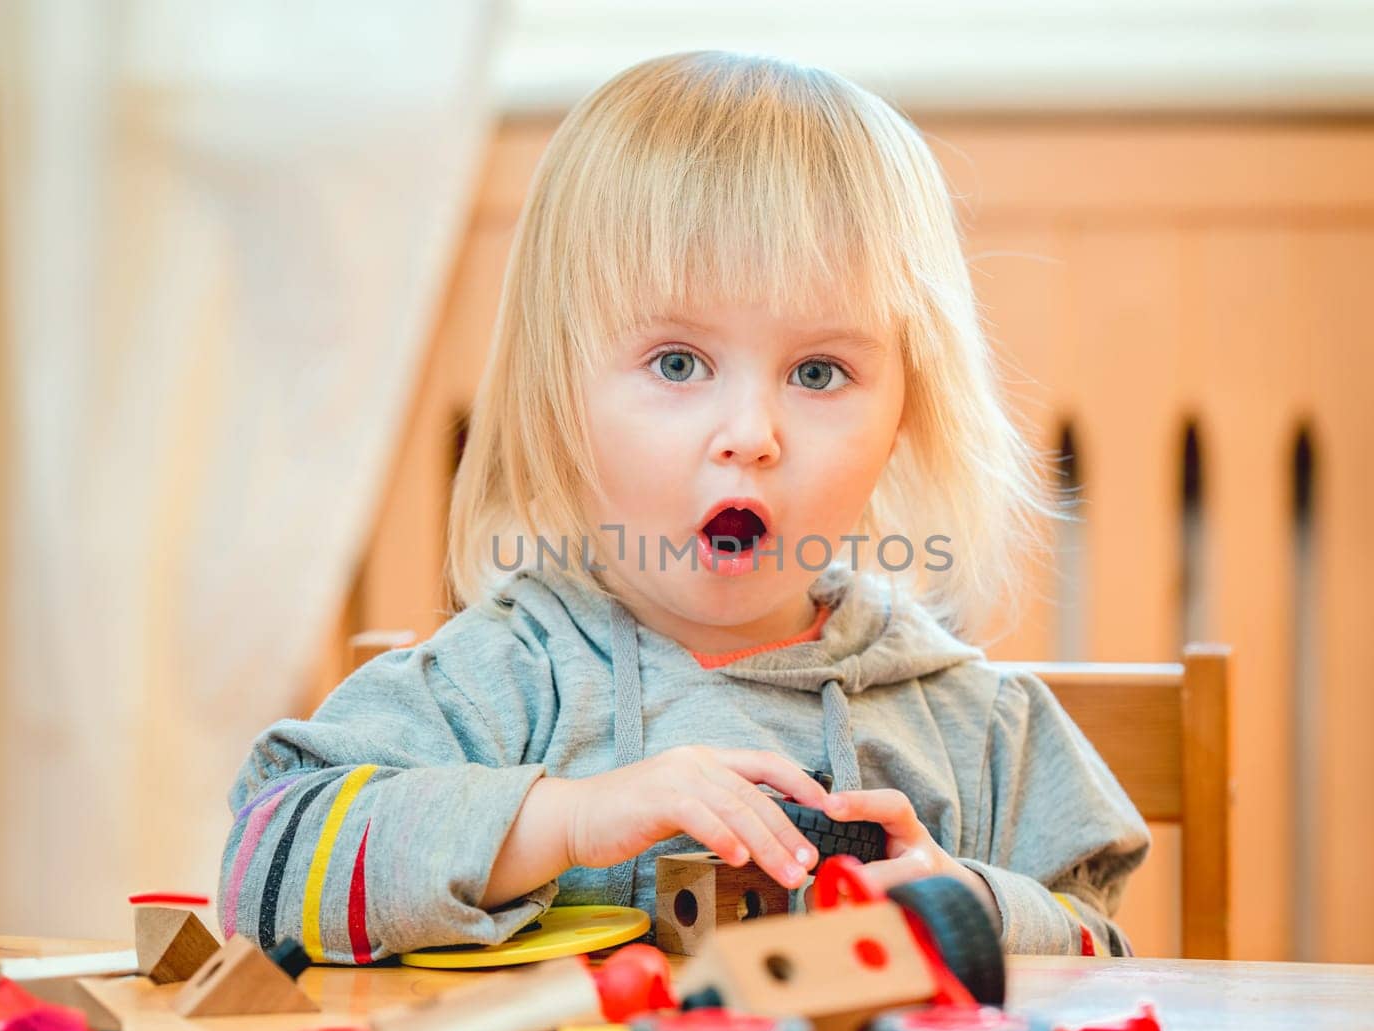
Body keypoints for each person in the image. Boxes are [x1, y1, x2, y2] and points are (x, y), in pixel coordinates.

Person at [217, 50, 1149, 965]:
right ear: (557, 394)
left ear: (908, 409)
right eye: (677, 364)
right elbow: (261, 871)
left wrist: (968, 909)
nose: (751, 433)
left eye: (818, 372)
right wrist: (569, 819)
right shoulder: (499, 683)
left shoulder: (976, 725)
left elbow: (1103, 950)